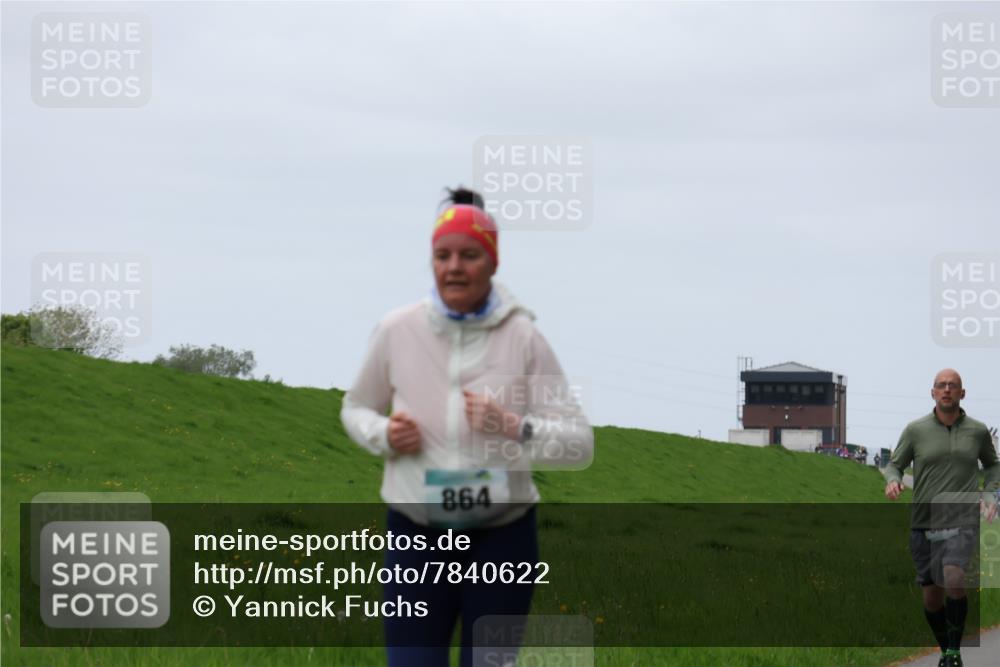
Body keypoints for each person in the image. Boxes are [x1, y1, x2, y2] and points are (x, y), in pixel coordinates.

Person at [341, 186, 594, 667]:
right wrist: (384, 435)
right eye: (443, 256)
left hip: (503, 540)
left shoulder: (524, 338)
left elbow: (579, 444)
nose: (454, 267)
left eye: (469, 255)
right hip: (417, 537)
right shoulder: (397, 330)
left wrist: (514, 427)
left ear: (493, 262)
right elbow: (355, 408)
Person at [883, 369, 1000, 667]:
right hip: (924, 521)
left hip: (962, 519)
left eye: (953, 385)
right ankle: (947, 649)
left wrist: (990, 495)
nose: (947, 389)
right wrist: (893, 480)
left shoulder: (977, 431)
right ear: (932, 392)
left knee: (954, 575)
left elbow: (993, 466)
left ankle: (953, 653)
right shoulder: (915, 430)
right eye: (941, 385)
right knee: (932, 598)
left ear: (962, 393)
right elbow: (894, 465)